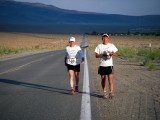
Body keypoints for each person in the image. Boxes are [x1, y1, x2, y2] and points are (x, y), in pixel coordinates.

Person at [94, 34, 118, 98]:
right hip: (102, 65)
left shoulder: (111, 45)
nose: (105, 40)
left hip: (109, 65)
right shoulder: (99, 46)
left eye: (106, 38)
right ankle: (104, 93)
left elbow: (116, 54)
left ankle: (111, 92)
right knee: (103, 79)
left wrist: (111, 53)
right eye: (104, 38)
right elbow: (96, 56)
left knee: (110, 79)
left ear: (108, 39)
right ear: (102, 39)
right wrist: (103, 54)